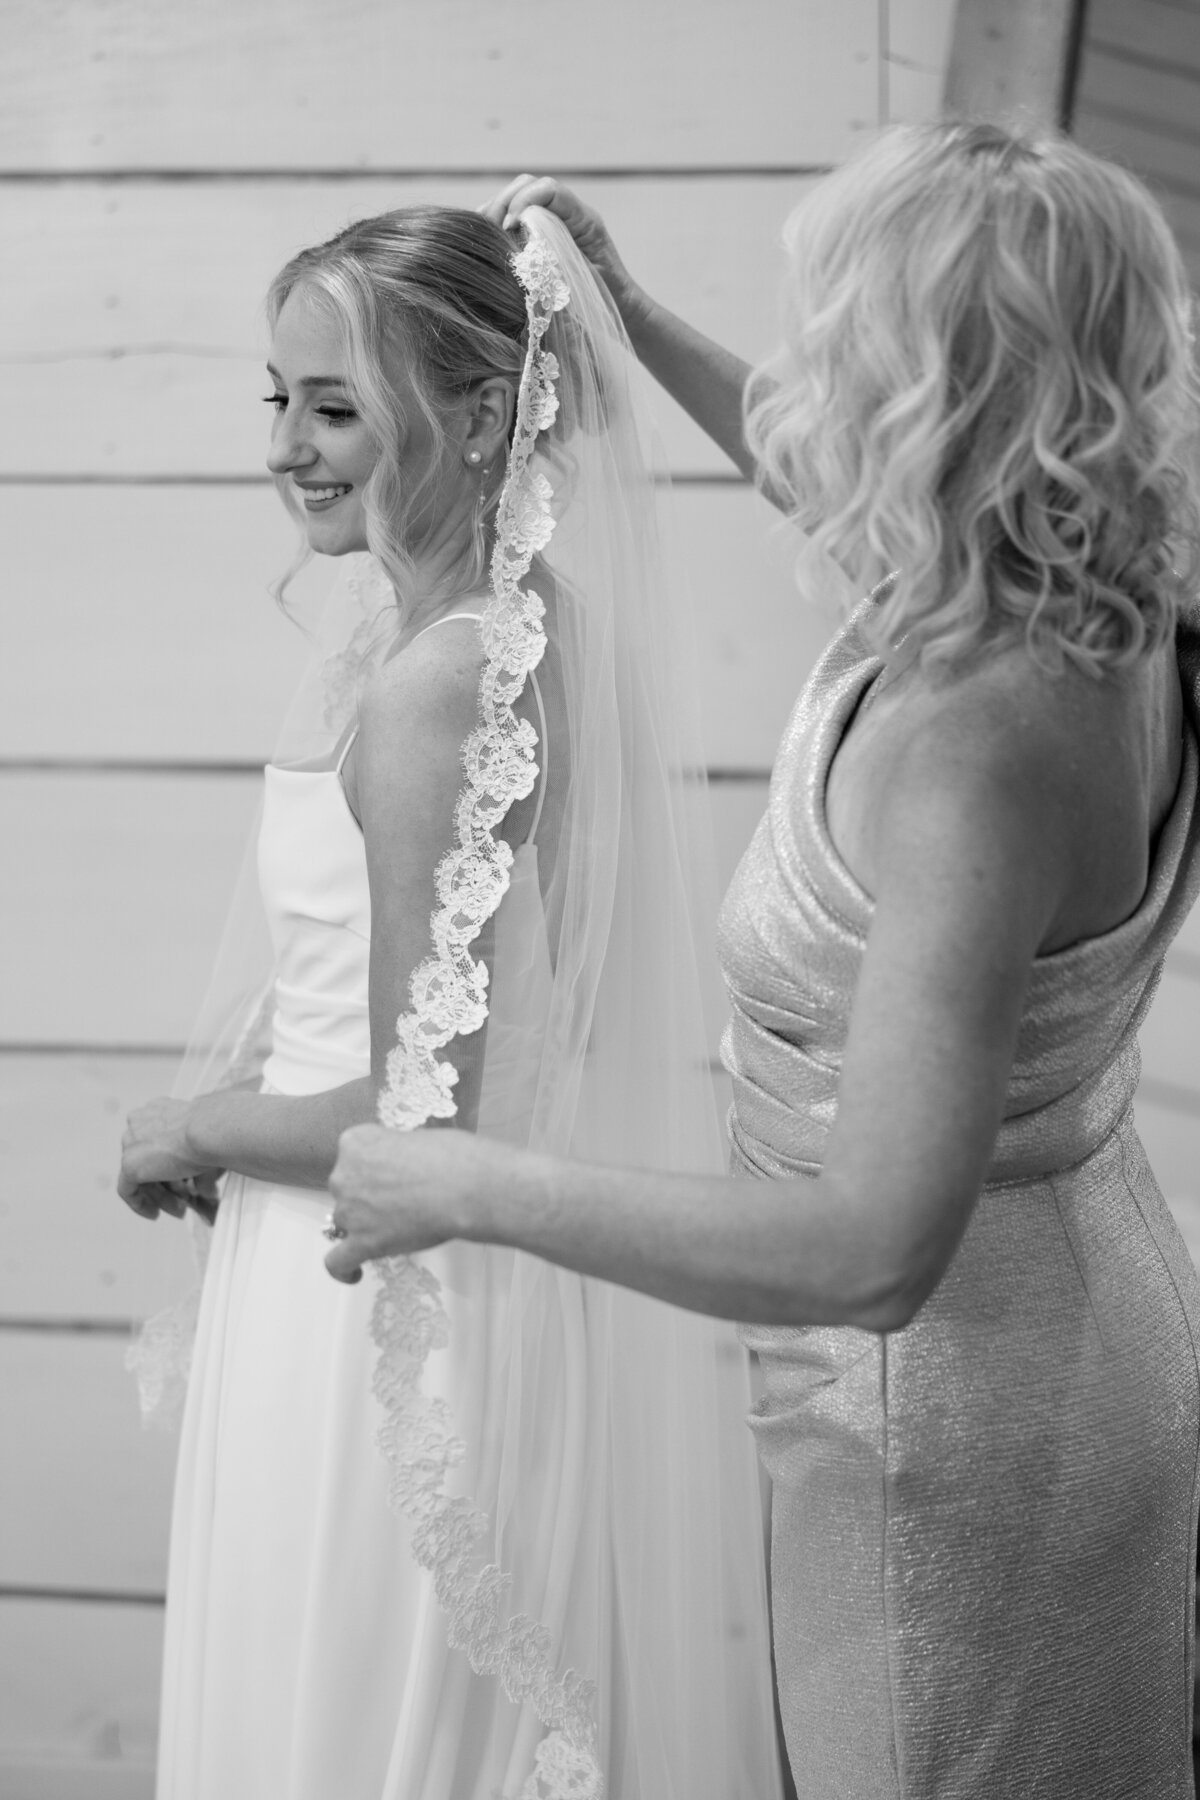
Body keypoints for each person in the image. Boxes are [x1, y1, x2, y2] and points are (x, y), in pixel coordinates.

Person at [322, 124, 1200, 1797]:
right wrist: (637, 314)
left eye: (832, 341)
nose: (802, 379)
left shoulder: (972, 749)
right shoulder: (1110, 594)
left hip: (949, 1441)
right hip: (1091, 1340)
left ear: (918, 388)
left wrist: (463, 1183)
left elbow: (871, 1250)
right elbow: (815, 470)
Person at [117, 204, 783, 1799]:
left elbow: (425, 1117)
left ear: (480, 413)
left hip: (377, 1310)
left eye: (334, 406)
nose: (288, 445)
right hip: (409, 1279)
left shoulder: (438, 687)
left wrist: (181, 1126)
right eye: (273, 398)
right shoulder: (507, 633)